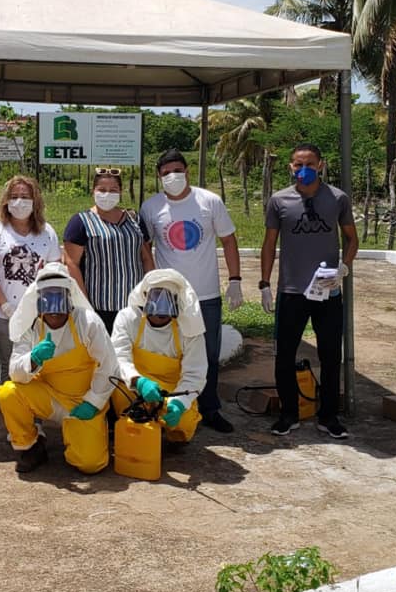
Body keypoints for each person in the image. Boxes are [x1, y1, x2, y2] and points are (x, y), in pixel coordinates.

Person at [137, 149, 242, 434]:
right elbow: (144, 247)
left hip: (206, 294)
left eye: (177, 170)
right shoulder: (151, 207)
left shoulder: (209, 201)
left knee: (208, 354)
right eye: (166, 173)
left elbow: (229, 240)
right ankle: (172, 404)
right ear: (159, 177)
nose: (172, 176)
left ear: (187, 171)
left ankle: (209, 408)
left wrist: (235, 279)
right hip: (167, 296)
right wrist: (150, 283)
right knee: (169, 353)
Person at [260, 143, 357, 439]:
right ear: (290, 167)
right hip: (292, 291)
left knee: (330, 355)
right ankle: (288, 414)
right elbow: (269, 244)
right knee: (285, 355)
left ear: (320, 165)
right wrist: (265, 283)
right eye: (298, 164)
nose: (304, 169)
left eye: (310, 164)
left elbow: (352, 238)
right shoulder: (279, 200)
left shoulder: (338, 198)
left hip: (328, 291)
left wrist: (344, 267)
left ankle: (328, 416)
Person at [0, 262, 118, 474]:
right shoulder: (31, 326)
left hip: (84, 401)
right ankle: (31, 446)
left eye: (59, 297)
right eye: (48, 298)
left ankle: (87, 430)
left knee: (90, 464)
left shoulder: (88, 322)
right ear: (38, 299)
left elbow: (109, 365)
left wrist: (93, 402)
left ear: (69, 297)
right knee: (9, 393)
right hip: (50, 397)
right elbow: (15, 372)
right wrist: (33, 358)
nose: (54, 308)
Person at [110, 269, 208, 446]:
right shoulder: (128, 318)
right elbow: (118, 357)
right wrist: (138, 381)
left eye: (167, 299)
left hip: (173, 391)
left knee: (183, 425)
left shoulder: (189, 328)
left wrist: (180, 403)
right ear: (145, 296)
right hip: (137, 386)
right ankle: (136, 427)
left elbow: (195, 374)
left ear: (177, 300)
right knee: (122, 395)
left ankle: (171, 431)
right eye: (156, 297)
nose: (160, 308)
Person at [0, 175, 60, 383]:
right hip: (4, 313)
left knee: (40, 364)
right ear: (6, 201)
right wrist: (6, 307)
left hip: (39, 315)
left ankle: (36, 404)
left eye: (25, 196)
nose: (19, 201)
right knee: (10, 365)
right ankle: (10, 402)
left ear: (35, 201)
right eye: (14, 196)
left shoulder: (48, 233)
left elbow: (55, 273)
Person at [62, 167, 154, 333]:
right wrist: (85, 305)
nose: (107, 194)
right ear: (93, 191)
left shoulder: (134, 219)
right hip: (100, 307)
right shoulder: (81, 222)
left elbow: (146, 258)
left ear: (120, 192)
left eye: (113, 190)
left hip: (134, 306)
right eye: (102, 190)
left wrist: (152, 292)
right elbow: (71, 264)